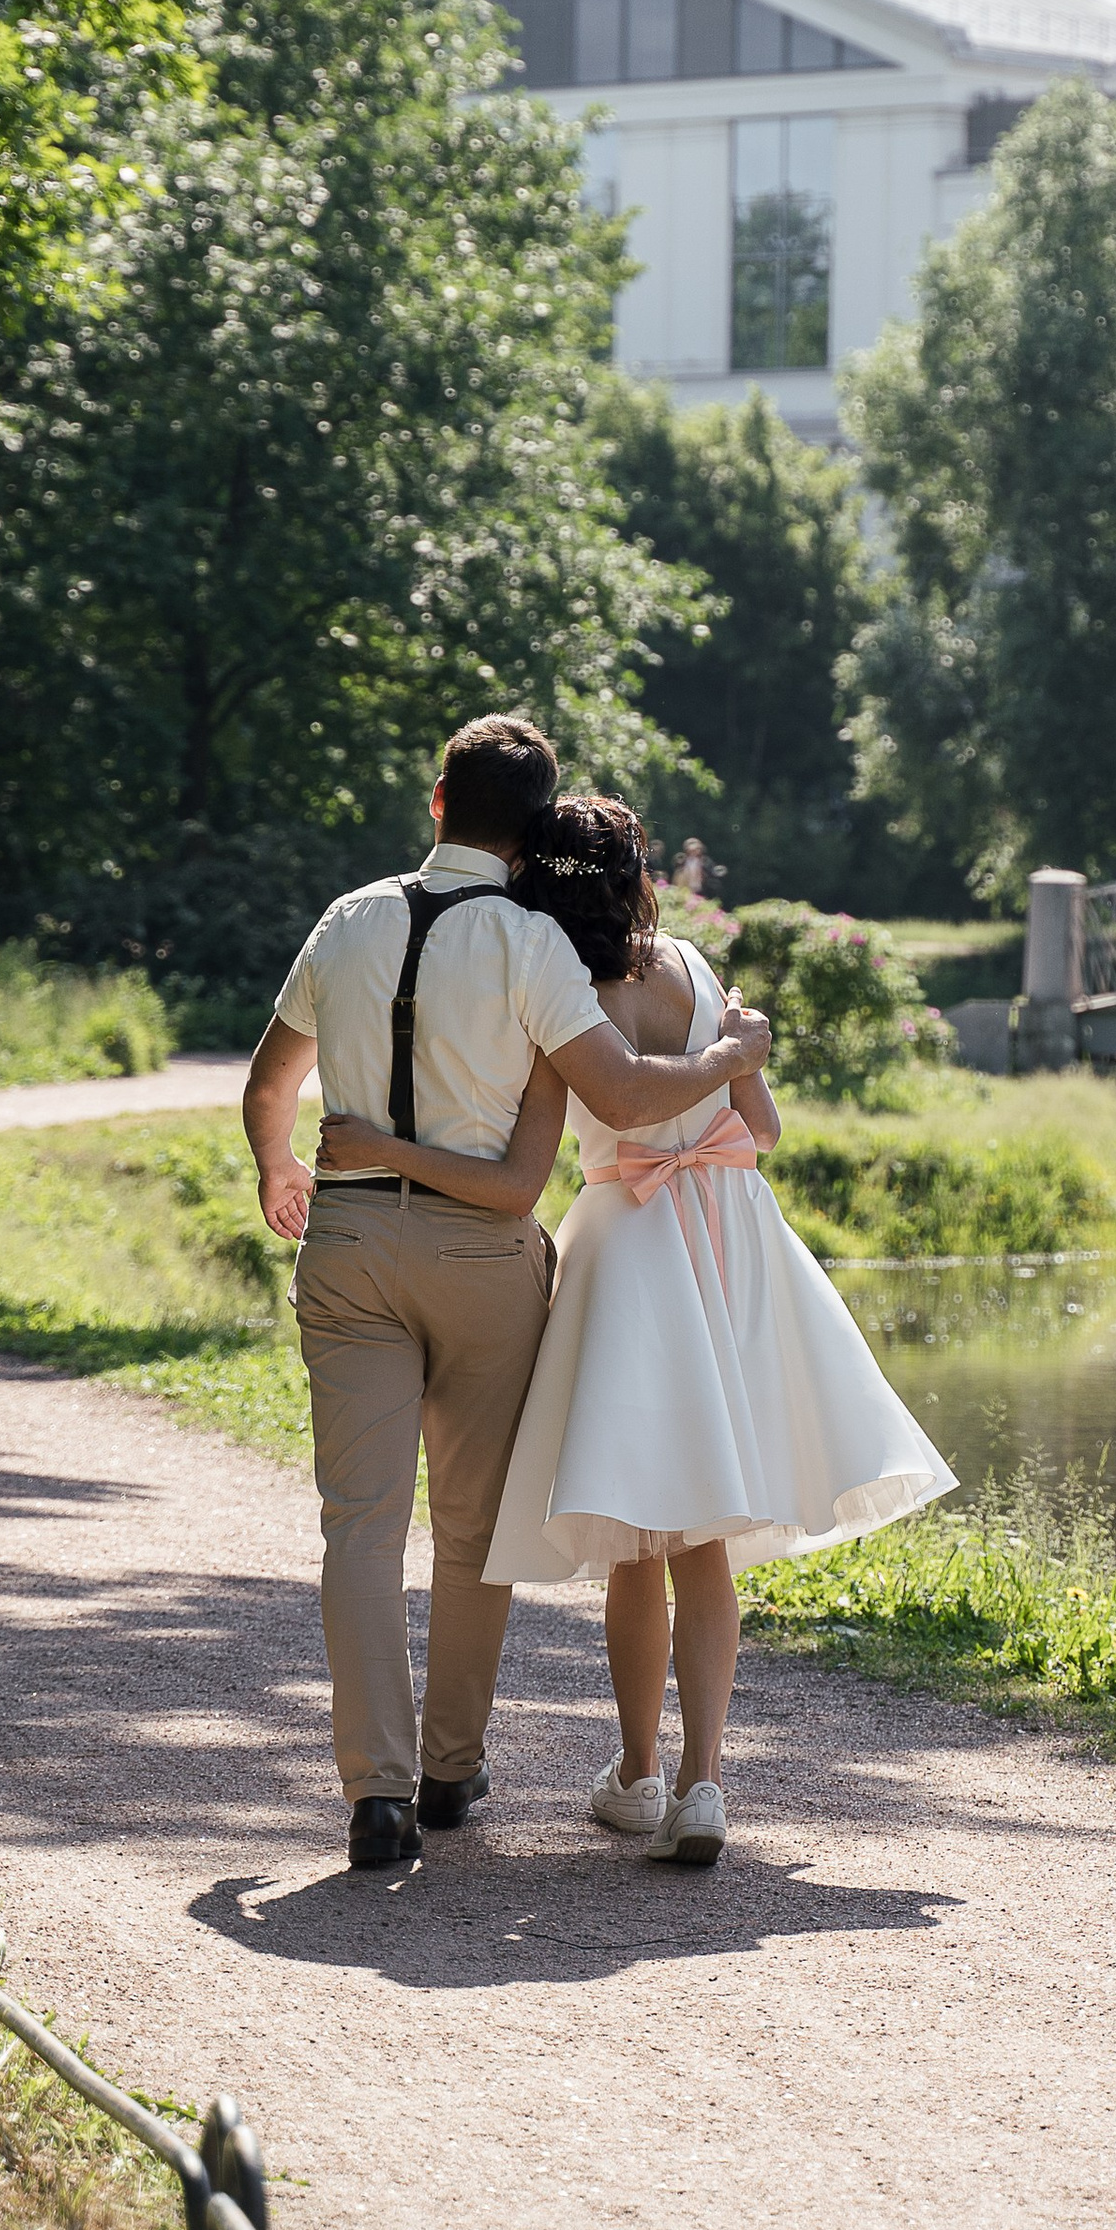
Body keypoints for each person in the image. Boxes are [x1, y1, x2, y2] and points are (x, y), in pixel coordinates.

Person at [316, 794, 954, 1869]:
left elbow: (529, 1165)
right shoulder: (697, 970)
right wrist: (736, 1054)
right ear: (638, 879)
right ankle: (703, 1785)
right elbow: (763, 1128)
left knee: (640, 1535)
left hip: (632, 1244)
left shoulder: (556, 991)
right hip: (734, 1238)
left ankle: (638, 1771)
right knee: (706, 1537)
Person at [243, 715, 777, 1875]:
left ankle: (376, 1795)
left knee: (359, 1525)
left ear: (437, 799)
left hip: (347, 1240)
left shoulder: (346, 919)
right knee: (471, 1525)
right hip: (485, 1253)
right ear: (530, 830)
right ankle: (450, 1768)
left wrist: (281, 1167)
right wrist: (734, 1057)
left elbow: (271, 1080)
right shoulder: (534, 946)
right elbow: (623, 1096)